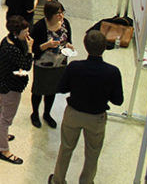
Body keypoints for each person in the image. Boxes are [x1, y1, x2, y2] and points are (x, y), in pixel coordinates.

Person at [49, 30, 124, 184]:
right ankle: (86, 181)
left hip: (73, 114)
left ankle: (58, 180)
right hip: (96, 118)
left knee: (66, 149)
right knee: (93, 153)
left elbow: (61, 88)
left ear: (85, 46)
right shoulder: (112, 72)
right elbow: (118, 100)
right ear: (104, 47)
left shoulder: (75, 67)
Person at [0, 15, 34, 165]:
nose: (28, 34)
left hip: (3, 83)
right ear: (17, 33)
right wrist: (30, 49)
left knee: (1, 108)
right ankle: (4, 150)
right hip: (11, 86)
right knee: (6, 119)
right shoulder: (13, 49)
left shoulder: (7, 41)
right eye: (25, 32)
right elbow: (26, 65)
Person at [30, 0, 72, 130]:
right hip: (43, 64)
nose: (61, 16)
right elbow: (33, 48)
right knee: (38, 90)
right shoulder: (40, 27)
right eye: (58, 13)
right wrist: (47, 45)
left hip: (59, 63)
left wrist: (69, 45)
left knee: (52, 90)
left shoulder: (65, 24)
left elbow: (68, 40)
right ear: (50, 14)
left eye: (62, 12)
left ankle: (47, 113)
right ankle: (35, 113)